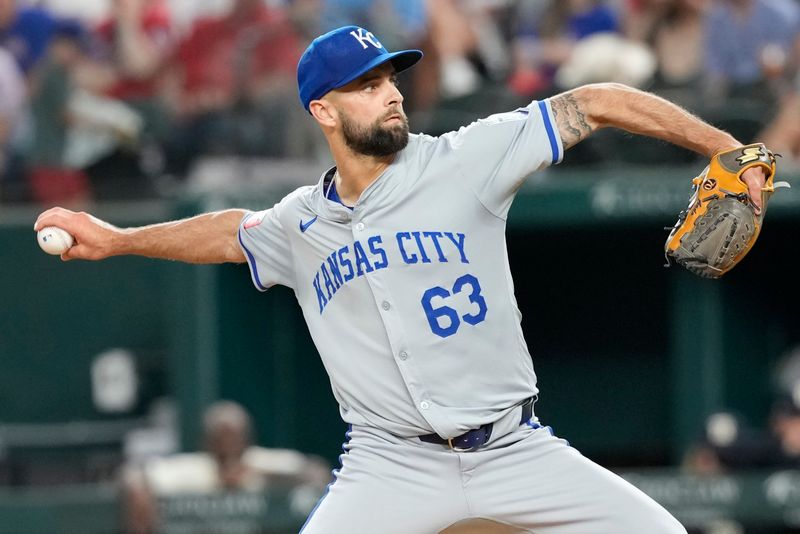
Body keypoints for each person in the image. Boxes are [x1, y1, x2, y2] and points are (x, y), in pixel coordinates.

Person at [35, 24, 771, 533]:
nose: (389, 93)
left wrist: (726, 146)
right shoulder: (302, 222)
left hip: (516, 448)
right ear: (323, 109)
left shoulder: (463, 157)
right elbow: (231, 232)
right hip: (389, 466)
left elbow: (594, 102)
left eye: (390, 77)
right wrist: (122, 239)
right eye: (365, 84)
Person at [120, 399, 330, 534]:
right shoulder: (198, 467)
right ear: (207, 442)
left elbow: (317, 471)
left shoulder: (260, 461)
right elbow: (135, 473)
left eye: (234, 438)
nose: (228, 445)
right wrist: (138, 490)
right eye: (221, 439)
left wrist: (260, 474)